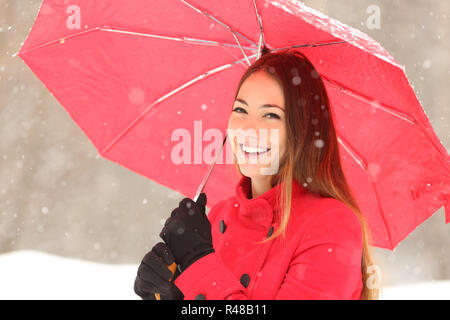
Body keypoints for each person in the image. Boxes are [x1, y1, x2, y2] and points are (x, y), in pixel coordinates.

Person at [134, 48, 381, 300]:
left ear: (303, 131)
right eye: (240, 110)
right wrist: (172, 295)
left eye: (271, 115)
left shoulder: (332, 226)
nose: (249, 129)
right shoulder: (219, 216)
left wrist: (197, 260)